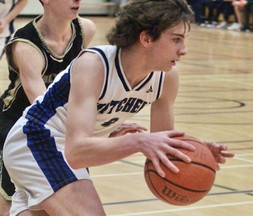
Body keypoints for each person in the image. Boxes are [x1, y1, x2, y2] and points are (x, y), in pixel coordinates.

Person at [3, 0, 235, 215]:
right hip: (36, 139)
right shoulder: (94, 64)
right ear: (146, 38)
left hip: (64, 146)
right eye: (176, 39)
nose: (183, 50)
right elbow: (76, 153)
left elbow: (161, 143)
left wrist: (194, 150)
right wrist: (136, 142)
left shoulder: (167, 79)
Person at [0, 0, 97, 215]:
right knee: (10, 200)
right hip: (17, 122)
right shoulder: (26, 45)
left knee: (65, 197)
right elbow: (41, 106)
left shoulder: (85, 29)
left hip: (61, 122)